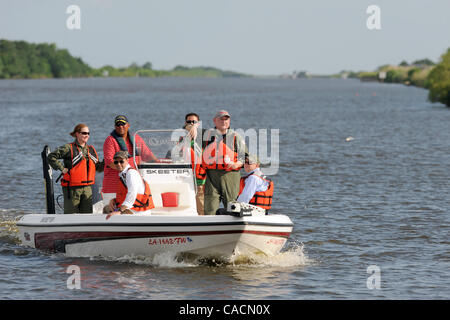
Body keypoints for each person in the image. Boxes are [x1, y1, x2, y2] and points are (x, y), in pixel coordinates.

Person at [102, 115, 158, 206]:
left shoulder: (136, 138)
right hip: (113, 187)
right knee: (111, 215)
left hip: (131, 185)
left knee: (130, 213)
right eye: (118, 124)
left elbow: (149, 156)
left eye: (123, 124)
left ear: (128, 125)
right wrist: (127, 171)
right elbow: (110, 162)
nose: (120, 126)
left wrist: (163, 162)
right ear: (115, 126)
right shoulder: (110, 141)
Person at [48, 123, 103, 213]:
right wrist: (62, 168)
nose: (87, 135)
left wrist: (110, 163)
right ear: (77, 134)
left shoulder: (91, 149)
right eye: (84, 133)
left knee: (87, 216)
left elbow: (97, 166)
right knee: (71, 215)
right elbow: (51, 157)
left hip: (88, 188)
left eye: (88, 133)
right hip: (72, 189)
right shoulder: (68, 148)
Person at [202, 110, 247, 215]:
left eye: (226, 119)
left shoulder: (236, 137)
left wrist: (236, 164)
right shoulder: (206, 136)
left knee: (232, 207)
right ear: (214, 121)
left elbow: (244, 156)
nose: (224, 122)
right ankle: (210, 229)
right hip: (211, 176)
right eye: (221, 119)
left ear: (229, 121)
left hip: (230, 176)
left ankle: (233, 229)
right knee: (210, 209)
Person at [105, 151, 155, 219]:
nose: (118, 164)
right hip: (133, 208)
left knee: (108, 213)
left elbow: (132, 194)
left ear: (127, 160)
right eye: (116, 162)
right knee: (106, 209)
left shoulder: (131, 173)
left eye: (121, 161)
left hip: (138, 211)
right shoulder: (123, 174)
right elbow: (126, 193)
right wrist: (114, 200)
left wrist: (119, 211)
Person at [182, 113, 207, 215]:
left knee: (201, 208)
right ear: (185, 123)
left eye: (194, 122)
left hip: (200, 181)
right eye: (189, 122)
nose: (191, 124)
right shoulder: (181, 137)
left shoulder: (204, 136)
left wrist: (195, 129)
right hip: (186, 180)